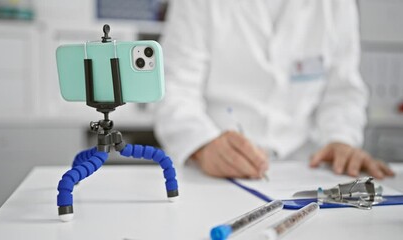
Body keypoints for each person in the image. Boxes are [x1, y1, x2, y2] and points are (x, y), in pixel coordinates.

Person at [154, 0, 394, 179]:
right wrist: (202, 145)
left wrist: (341, 138)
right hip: (217, 171)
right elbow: (174, 89)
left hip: (304, 169)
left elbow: (342, 92)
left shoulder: (336, 5)